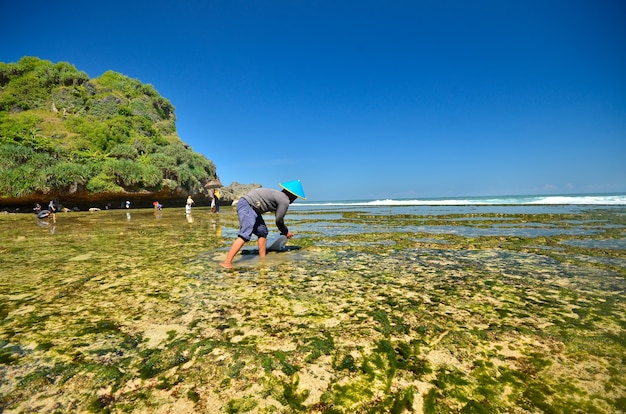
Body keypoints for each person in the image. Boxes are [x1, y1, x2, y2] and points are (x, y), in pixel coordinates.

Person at [221, 180, 306, 268]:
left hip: (250, 206)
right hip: (248, 205)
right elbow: (279, 220)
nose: (294, 199)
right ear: (293, 195)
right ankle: (227, 262)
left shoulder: (278, 195)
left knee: (262, 231)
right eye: (296, 197)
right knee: (245, 234)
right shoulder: (284, 200)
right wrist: (286, 232)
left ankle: (262, 259)